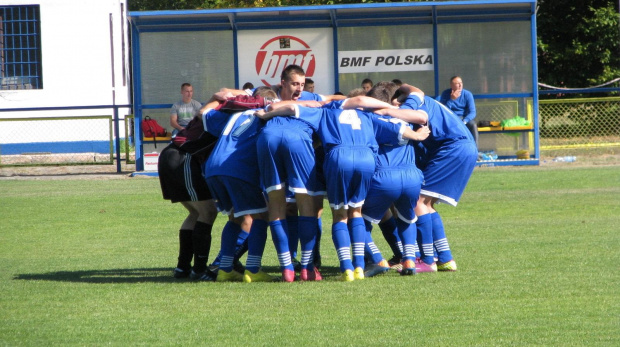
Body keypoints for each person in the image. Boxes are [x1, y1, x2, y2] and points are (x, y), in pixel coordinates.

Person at [257, 96, 430, 281]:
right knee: (356, 212)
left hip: (339, 156)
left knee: (340, 215)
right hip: (367, 158)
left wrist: (268, 114)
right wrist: (418, 135)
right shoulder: (368, 116)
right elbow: (397, 128)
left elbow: (292, 108)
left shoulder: (325, 111)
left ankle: (345, 268)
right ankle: (360, 268)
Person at [390, 83, 478, 272]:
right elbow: (413, 90)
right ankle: (445, 258)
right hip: (462, 147)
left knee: (417, 201)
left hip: (453, 148)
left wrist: (390, 109)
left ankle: (428, 260)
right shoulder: (423, 99)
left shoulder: (410, 108)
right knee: (427, 204)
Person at [199, 88, 278, 283]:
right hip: (237, 168)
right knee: (262, 216)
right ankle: (253, 269)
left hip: (212, 168)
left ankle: (225, 269)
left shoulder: (236, 114)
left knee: (235, 217)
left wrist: (215, 98)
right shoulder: (267, 115)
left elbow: (204, 114)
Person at [157, 115, 219, 281]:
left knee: (196, 213)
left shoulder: (216, 112)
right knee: (209, 212)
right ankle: (199, 269)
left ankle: (182, 267)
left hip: (172, 155)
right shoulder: (225, 112)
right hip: (182, 157)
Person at [438, 76, 478, 146]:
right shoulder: (445, 94)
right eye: (457, 83)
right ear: (451, 85)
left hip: (464, 118)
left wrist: (465, 120)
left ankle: (475, 150)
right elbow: (443, 110)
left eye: (461, 83)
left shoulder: (467, 94)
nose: (460, 85)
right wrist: (451, 100)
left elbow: (472, 112)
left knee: (473, 125)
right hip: (451, 118)